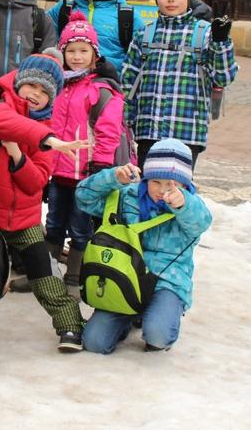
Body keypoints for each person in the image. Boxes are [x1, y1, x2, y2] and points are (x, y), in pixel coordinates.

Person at [0, 52, 87, 352]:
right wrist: (49, 139)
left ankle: (70, 326)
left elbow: (37, 181)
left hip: (22, 218)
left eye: (45, 92)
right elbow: (5, 122)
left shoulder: (47, 126)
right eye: (32, 86)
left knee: (43, 272)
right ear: (18, 83)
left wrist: (17, 154)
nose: (36, 95)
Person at [76, 139, 212, 353]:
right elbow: (83, 198)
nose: (161, 190)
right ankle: (128, 317)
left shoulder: (190, 207)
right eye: (155, 181)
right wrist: (112, 178)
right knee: (94, 342)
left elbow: (201, 222)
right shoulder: (127, 197)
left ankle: (160, 316)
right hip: (124, 277)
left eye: (172, 184)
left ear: (185, 185)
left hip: (166, 281)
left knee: (158, 335)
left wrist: (183, 204)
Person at [120, 0, 238, 169]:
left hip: (187, 131)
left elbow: (223, 77)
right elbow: (128, 83)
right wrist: (125, 122)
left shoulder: (204, 33)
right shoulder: (145, 34)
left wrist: (221, 42)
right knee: (147, 189)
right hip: (148, 130)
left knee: (178, 193)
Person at [48, 10, 128, 286]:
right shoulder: (58, 85)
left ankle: (73, 276)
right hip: (58, 171)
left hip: (86, 173)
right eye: (71, 50)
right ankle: (46, 275)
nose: (77, 56)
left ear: (95, 54)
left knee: (81, 227)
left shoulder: (102, 88)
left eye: (83, 50)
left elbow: (108, 131)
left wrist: (101, 165)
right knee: (54, 223)